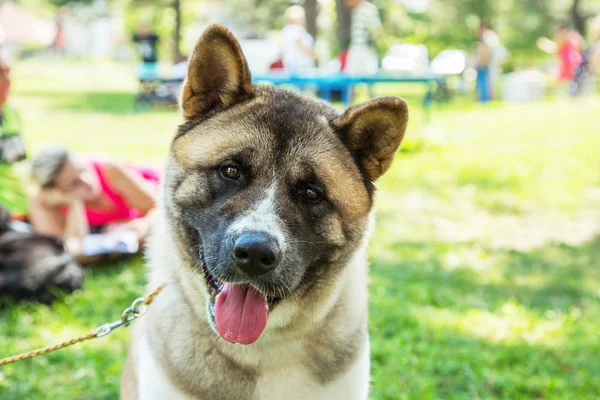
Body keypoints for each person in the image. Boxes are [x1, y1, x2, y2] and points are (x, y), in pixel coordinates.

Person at [28, 147, 160, 263]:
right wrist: (74, 204)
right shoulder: (45, 201)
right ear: (56, 191)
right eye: (74, 183)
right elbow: (66, 250)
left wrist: (145, 224)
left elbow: (157, 208)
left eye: (82, 170)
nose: (86, 181)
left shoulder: (108, 170)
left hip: (157, 188)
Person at [0, 52, 26, 164]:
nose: (8, 81)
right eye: (1, 74)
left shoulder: (10, 111)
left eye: (8, 74)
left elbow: (22, 158)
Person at [344, 0, 382, 76]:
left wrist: (370, 40)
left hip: (366, 50)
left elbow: (377, 29)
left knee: (369, 76)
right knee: (349, 75)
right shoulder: (355, 11)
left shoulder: (369, 9)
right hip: (355, 48)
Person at [280, 5, 316, 73]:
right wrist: (313, 53)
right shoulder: (298, 29)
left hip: (289, 64)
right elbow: (302, 47)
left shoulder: (285, 30)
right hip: (302, 65)